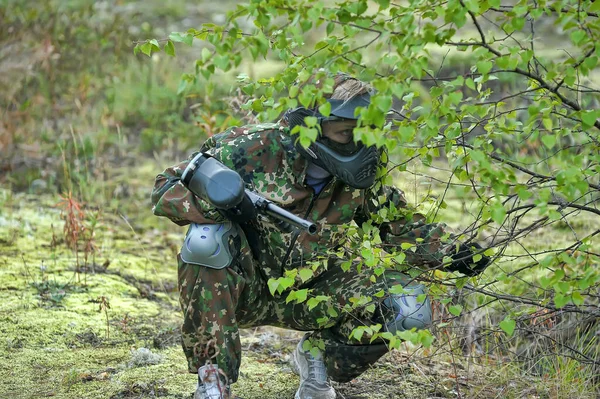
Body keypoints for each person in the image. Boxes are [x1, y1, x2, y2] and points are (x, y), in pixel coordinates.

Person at [151, 74, 490, 399]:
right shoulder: (251, 149)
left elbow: (397, 224)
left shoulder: (360, 176)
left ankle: (318, 359)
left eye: (365, 132)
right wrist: (224, 204)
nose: (358, 143)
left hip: (313, 292)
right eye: (346, 132)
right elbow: (166, 188)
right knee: (205, 240)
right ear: (311, 125)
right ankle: (214, 377)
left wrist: (452, 253)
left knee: (407, 304)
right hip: (242, 286)